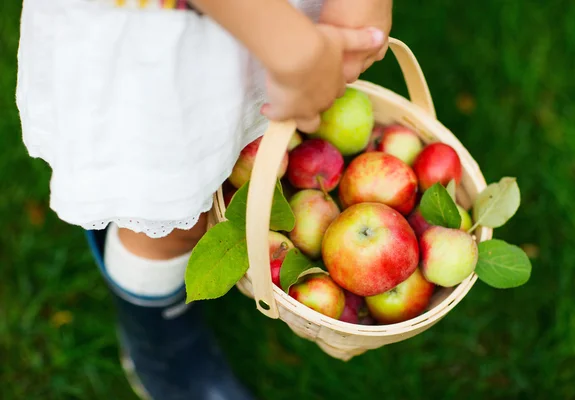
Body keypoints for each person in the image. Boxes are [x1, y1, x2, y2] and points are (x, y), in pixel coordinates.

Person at [15, 0, 392, 398]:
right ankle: (159, 341)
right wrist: (288, 43)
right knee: (167, 214)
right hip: (172, 33)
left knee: (244, 147)